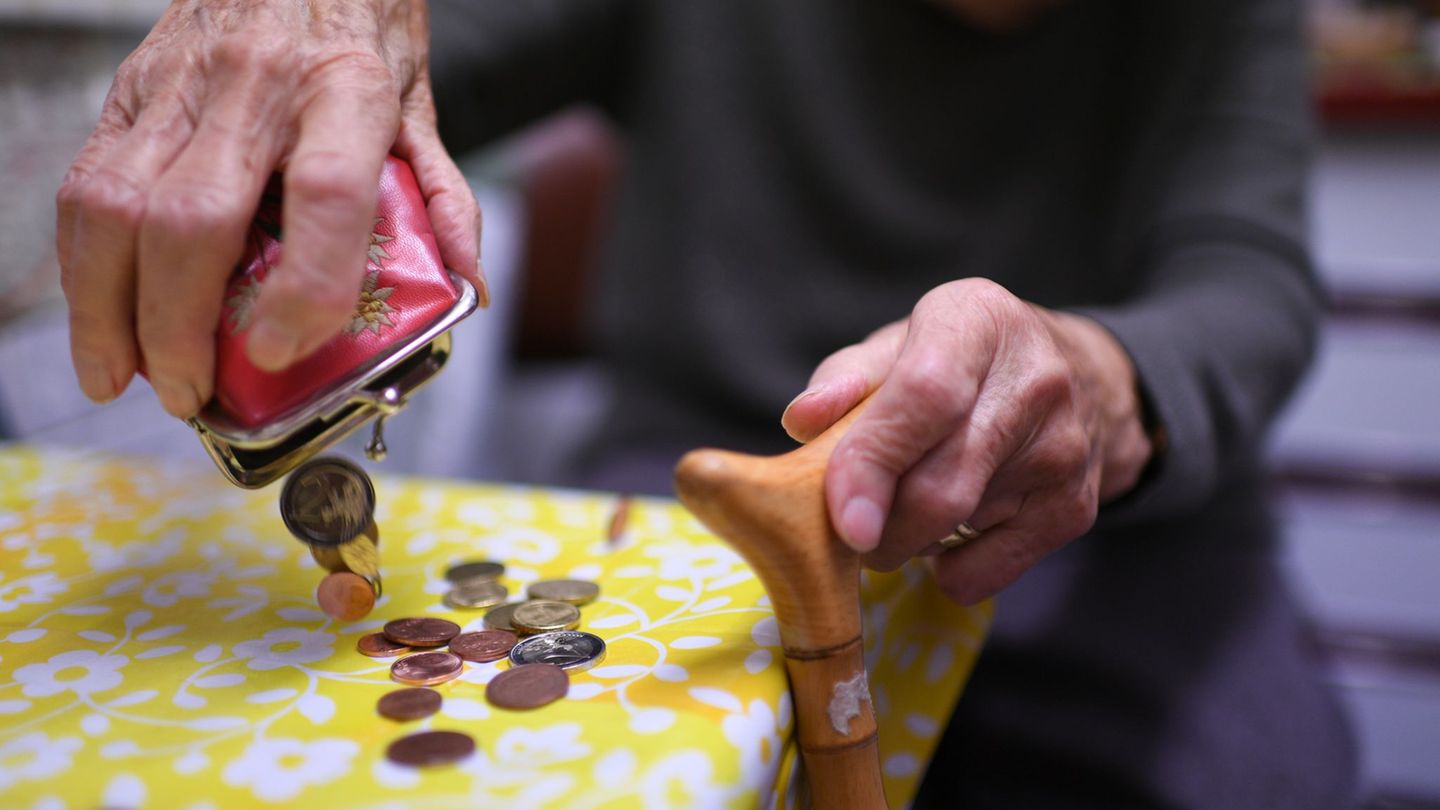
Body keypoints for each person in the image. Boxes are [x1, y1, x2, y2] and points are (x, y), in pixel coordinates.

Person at [56, 0, 1358, 805]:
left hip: (1109, 542)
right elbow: (416, 41)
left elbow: (1246, 282)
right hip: (692, 517)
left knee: (1248, 770)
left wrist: (1101, 382)